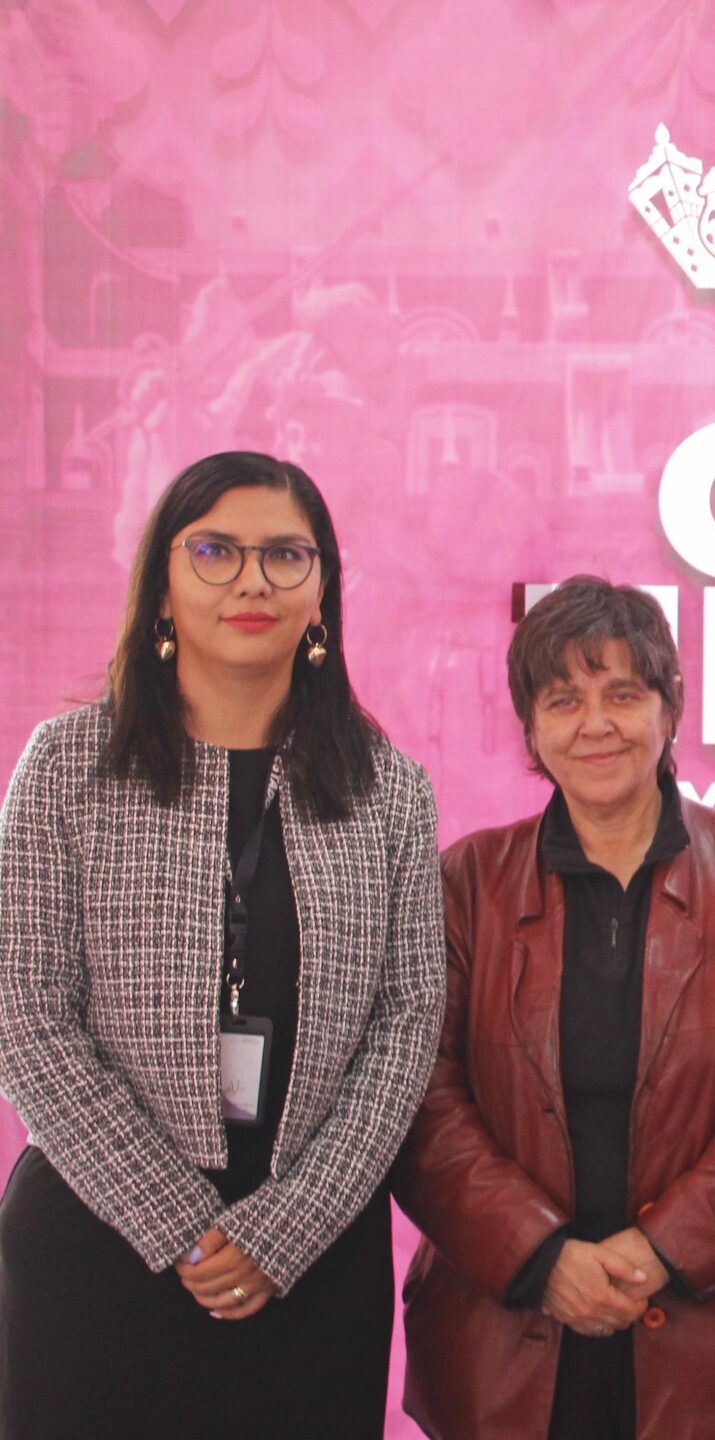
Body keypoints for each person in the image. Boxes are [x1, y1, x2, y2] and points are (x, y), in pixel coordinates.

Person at [0, 451, 442, 1436]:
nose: (253, 581)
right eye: (215, 552)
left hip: (312, 1257)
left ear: (322, 592)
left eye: (286, 555)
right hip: (98, 1236)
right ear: (162, 585)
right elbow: (25, 1015)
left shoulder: (389, 789)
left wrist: (288, 1228)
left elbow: (408, 1023)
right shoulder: (67, 767)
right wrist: (176, 1223)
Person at [394, 576, 715, 1439]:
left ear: (672, 707)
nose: (596, 725)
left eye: (623, 694)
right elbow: (415, 1092)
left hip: (707, 1331)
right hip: (505, 1330)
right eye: (564, 701)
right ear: (531, 728)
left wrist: (665, 1249)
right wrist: (540, 1257)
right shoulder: (464, 882)